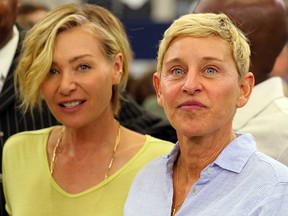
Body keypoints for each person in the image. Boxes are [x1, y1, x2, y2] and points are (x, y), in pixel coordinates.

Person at [2, 3, 174, 215]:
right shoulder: (18, 152)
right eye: (51, 70)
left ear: (117, 68)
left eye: (82, 67)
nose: (66, 85)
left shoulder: (161, 162)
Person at [124, 13, 288, 216]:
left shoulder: (274, 190)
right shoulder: (147, 179)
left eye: (210, 70)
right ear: (159, 90)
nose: (190, 85)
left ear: (243, 89)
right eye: (177, 71)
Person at [193, 0, 288, 165]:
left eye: (197, 29)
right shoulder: (194, 116)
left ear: (236, 44)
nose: (182, 36)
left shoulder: (282, 131)